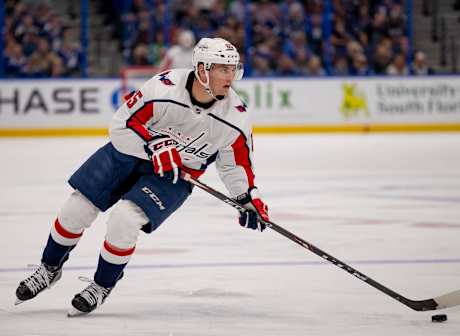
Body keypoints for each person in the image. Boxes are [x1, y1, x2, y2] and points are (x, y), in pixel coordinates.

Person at [14, 37, 270, 316]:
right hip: (127, 154)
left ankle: (101, 285)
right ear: (202, 69)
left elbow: (235, 165)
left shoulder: (236, 117)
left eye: (233, 69)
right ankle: (49, 269)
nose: (230, 77)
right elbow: (121, 125)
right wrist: (154, 145)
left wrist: (246, 196)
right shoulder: (164, 87)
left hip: (173, 175)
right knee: (75, 209)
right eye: (223, 69)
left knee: (124, 220)